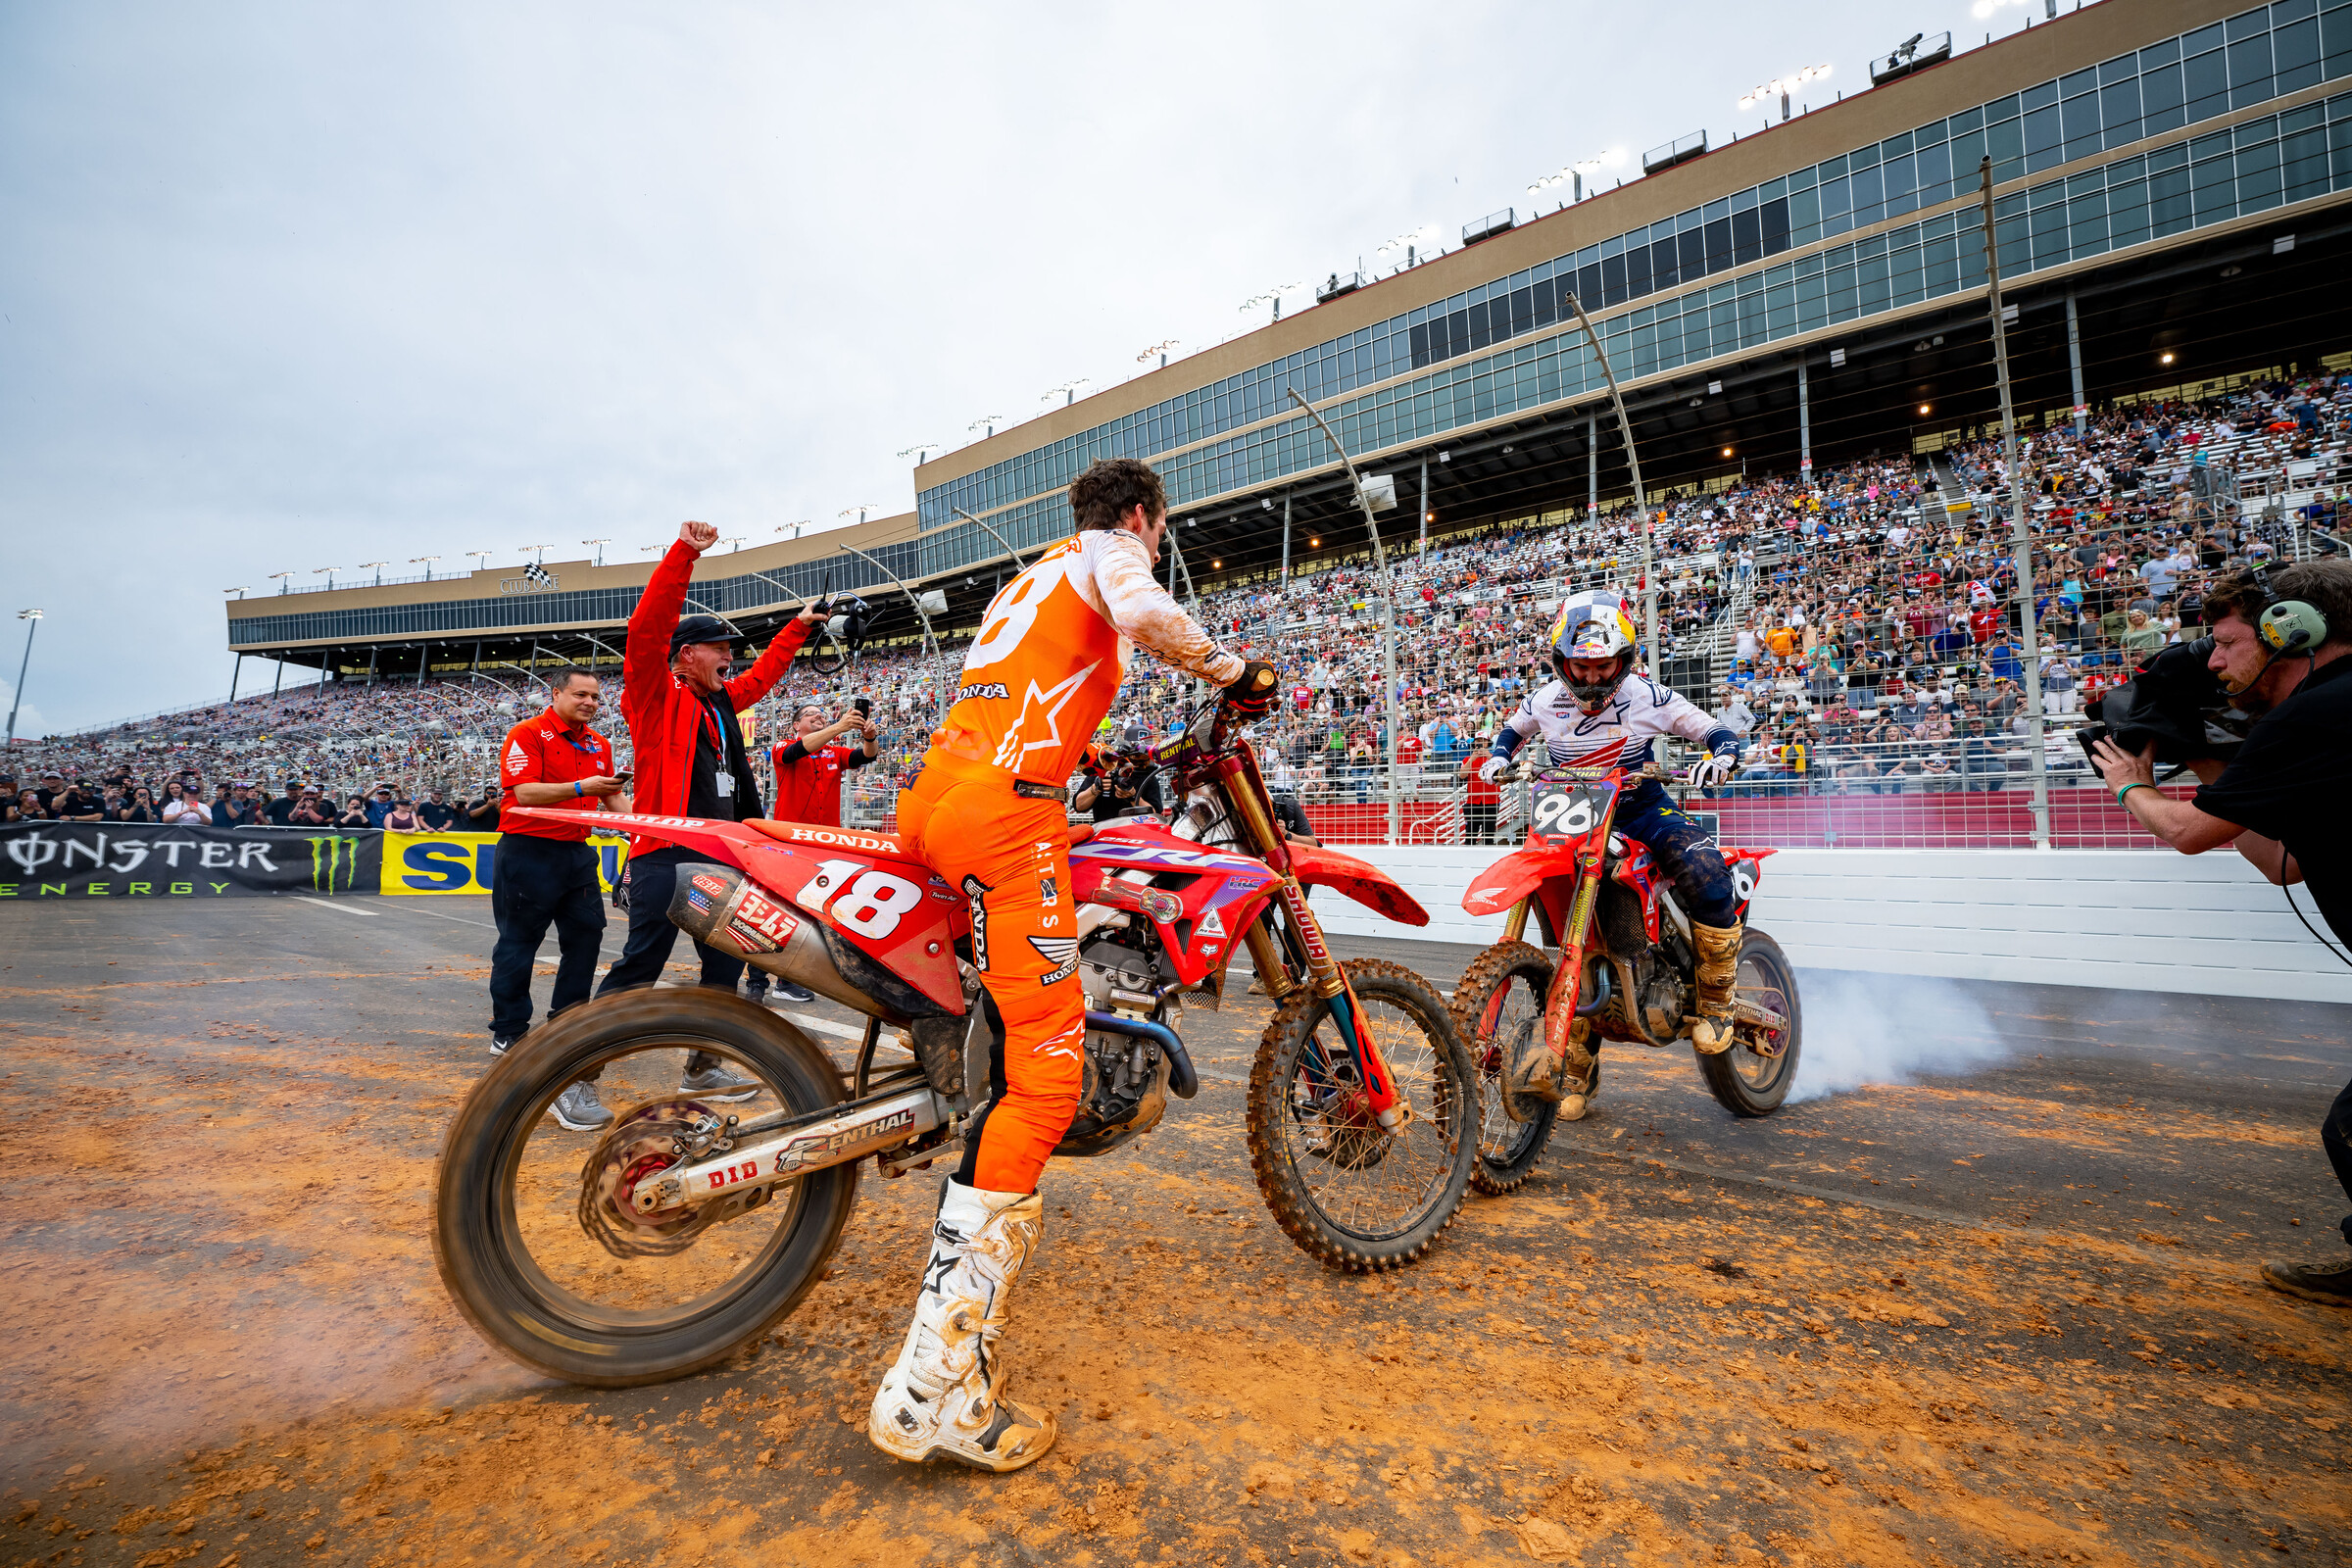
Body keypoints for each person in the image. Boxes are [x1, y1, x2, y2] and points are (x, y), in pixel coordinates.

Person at [868, 455, 1272, 1474]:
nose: (1155, 538)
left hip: (940, 795)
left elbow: (1030, 684)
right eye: (1158, 525)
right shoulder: (1113, 554)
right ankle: (933, 1391)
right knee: (1043, 1088)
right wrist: (1234, 672)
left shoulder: (1037, 572)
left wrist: (1090, 755)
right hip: (1007, 818)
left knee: (1008, 1019)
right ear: (1142, 514)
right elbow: (1142, 609)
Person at [2091, 562, 2352, 1307]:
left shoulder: (2315, 712)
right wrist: (2209, 761)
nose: (2213, 662)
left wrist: (2128, 782)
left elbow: (2184, 832)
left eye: (2228, 643)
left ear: (2291, 632)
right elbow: (2286, 862)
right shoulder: (2331, 716)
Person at [590, 518, 824, 1126]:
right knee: (640, 965)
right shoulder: (652, 693)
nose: (730, 657)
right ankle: (570, 1074)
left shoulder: (719, 702)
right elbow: (646, 629)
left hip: (721, 850)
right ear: (686, 655)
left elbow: (764, 677)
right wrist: (686, 554)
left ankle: (703, 1064)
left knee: (725, 962)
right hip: (665, 852)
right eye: (719, 648)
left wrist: (799, 627)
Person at [1478, 589, 1746, 1115]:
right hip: (1569, 813)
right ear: (1562, 660)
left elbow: (1708, 728)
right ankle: (1576, 1056)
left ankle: (1717, 1001)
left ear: (1623, 661)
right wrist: (1496, 755)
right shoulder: (1544, 698)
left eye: (1604, 667)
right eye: (1582, 665)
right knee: (1569, 928)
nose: (1592, 677)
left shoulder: (1648, 695)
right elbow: (1512, 731)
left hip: (1639, 807)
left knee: (1703, 869)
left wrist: (1724, 752)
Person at [488, 669, 627, 1105]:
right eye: (580, 694)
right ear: (556, 694)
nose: (590, 702)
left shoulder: (599, 743)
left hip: (576, 854)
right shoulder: (527, 733)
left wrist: (645, 827)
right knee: (517, 943)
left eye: (595, 697)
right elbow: (525, 793)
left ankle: (566, 1023)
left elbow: (613, 801)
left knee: (588, 937)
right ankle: (509, 1032)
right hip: (527, 851)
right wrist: (582, 787)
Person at [769, 703, 880, 828]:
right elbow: (795, 751)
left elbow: (868, 756)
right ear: (796, 725)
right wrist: (838, 726)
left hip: (827, 834)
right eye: (810, 713)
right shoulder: (782, 746)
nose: (818, 715)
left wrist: (870, 738)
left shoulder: (835, 752)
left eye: (821, 715)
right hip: (791, 832)